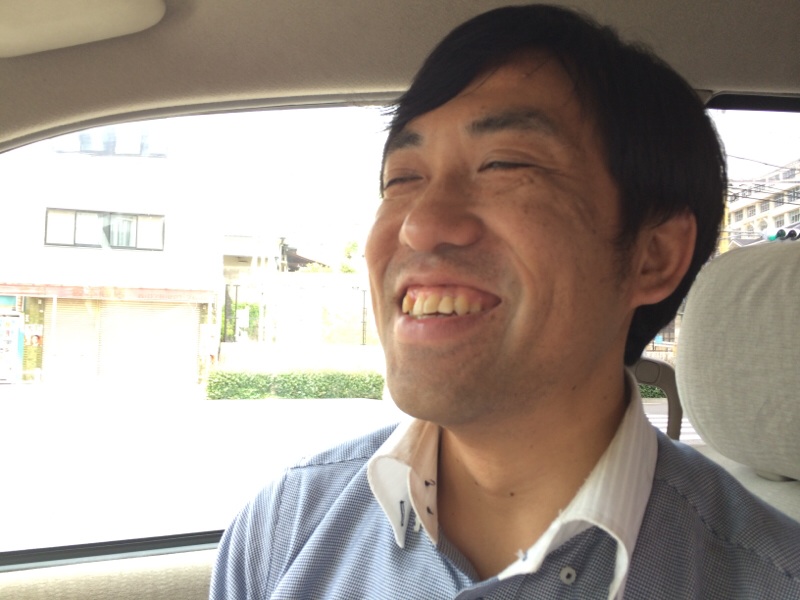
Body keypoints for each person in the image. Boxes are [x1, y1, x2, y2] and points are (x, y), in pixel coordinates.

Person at [210, 5, 800, 599]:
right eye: (403, 178)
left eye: (503, 164)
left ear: (653, 256)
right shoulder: (281, 531)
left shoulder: (769, 581)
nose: (420, 225)